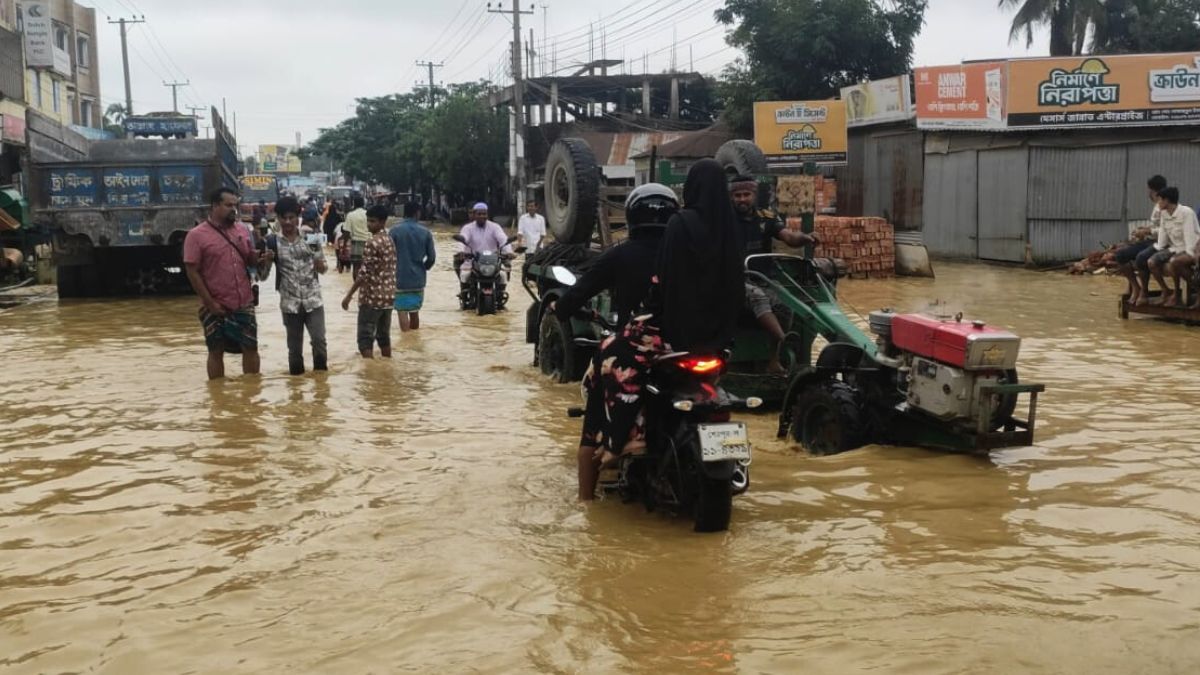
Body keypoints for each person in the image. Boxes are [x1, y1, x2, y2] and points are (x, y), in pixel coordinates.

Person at [591, 160, 744, 467]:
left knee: (612, 353)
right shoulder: (733, 228)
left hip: (676, 332)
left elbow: (664, 280)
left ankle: (618, 441)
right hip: (719, 337)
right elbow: (738, 285)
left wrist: (648, 312)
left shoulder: (680, 224)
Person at [552, 183, 678, 500]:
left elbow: (581, 290)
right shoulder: (690, 254)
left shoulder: (621, 255)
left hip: (634, 350)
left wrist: (560, 308)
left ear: (633, 217)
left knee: (593, 419)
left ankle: (586, 503)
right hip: (688, 347)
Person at [730, 174, 819, 373]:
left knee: (785, 305)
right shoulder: (723, 219)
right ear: (732, 197)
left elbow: (789, 237)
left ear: (754, 195)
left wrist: (806, 238)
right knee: (758, 296)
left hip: (763, 278)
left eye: (746, 194)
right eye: (738, 195)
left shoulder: (766, 218)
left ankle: (773, 359)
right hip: (733, 281)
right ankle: (783, 338)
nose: (742, 199)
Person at [183, 187, 273, 380]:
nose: (234, 209)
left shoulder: (242, 230)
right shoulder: (196, 235)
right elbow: (192, 271)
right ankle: (217, 392)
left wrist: (260, 259)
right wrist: (210, 303)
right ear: (215, 206)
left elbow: (249, 261)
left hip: (243, 301)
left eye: (235, 205)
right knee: (215, 350)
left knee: (251, 347)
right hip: (215, 304)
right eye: (229, 205)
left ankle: (252, 390)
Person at [260, 196, 328, 375]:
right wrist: (267, 261)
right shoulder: (272, 242)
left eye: (291, 217)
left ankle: (321, 384)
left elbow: (324, 269)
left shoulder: (311, 239)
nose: (288, 222)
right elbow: (263, 277)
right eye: (284, 218)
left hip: (314, 300)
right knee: (294, 350)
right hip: (290, 304)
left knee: (319, 342)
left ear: (298, 218)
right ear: (278, 218)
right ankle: (296, 387)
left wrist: (319, 265)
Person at [342, 205, 397, 358]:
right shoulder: (389, 240)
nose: (369, 225)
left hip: (371, 298)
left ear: (382, 222)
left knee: (365, 339)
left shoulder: (372, 242)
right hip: (388, 297)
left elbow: (364, 273)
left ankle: (369, 369)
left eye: (372, 221)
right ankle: (386, 365)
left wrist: (349, 295)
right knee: (384, 337)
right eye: (368, 221)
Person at [389, 201, 437, 332]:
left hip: (398, 277)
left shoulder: (394, 231)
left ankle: (406, 339)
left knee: (402, 310)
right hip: (418, 278)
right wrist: (424, 268)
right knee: (414, 311)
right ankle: (414, 338)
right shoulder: (426, 232)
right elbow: (432, 258)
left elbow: (387, 254)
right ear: (417, 213)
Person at [1120, 175, 1168, 305]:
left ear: (1153, 191)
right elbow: (1158, 226)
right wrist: (1145, 230)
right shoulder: (1158, 205)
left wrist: (1147, 231)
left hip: (1162, 242)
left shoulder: (1164, 205)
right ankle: (1136, 287)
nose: (1148, 193)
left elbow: (1167, 230)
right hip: (1154, 240)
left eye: (1149, 190)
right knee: (1120, 254)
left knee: (1141, 257)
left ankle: (1144, 291)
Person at [1149, 187, 1200, 307]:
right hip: (1175, 248)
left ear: (1167, 201)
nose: (1158, 203)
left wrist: (1191, 256)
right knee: (1151, 262)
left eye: (1160, 200)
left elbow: (1190, 239)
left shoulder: (1186, 212)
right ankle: (1167, 291)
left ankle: (1193, 292)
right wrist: (1158, 248)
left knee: (1174, 262)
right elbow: (1162, 240)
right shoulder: (1164, 213)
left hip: (1190, 247)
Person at [455, 202, 513, 299]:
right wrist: (461, 251)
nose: (482, 216)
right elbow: (463, 239)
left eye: (484, 214)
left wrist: (509, 252)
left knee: (503, 276)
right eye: (479, 214)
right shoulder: (468, 228)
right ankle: (464, 298)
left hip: (492, 262)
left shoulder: (495, 227)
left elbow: (503, 239)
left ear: (487, 214)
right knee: (464, 276)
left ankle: (500, 298)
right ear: (474, 215)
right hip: (473, 261)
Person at [344, 195, 370, 279]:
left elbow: (347, 232)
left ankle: (356, 285)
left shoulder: (350, 215)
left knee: (356, 267)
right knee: (368, 267)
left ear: (354, 204)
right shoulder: (368, 214)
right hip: (369, 242)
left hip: (356, 243)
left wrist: (344, 245)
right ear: (363, 204)